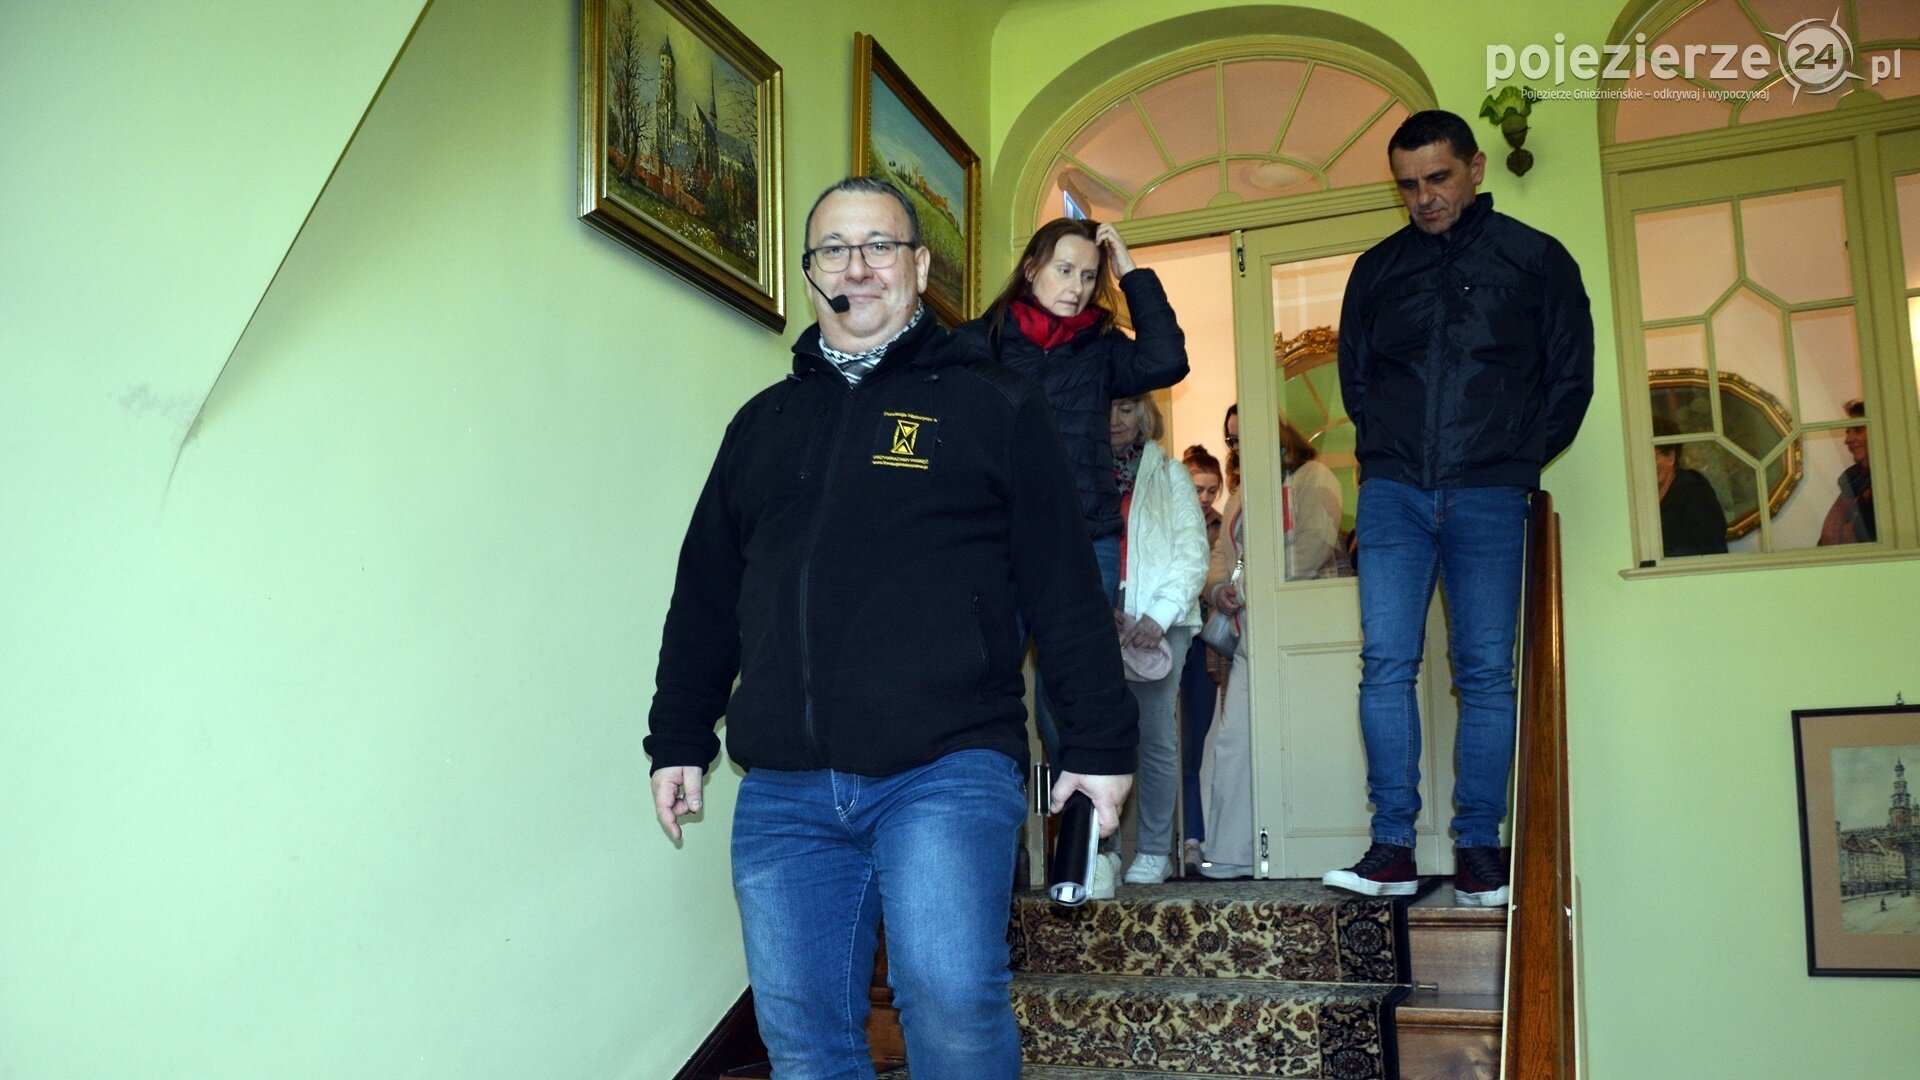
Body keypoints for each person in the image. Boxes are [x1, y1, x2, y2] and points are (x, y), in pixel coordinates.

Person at [644, 177, 1137, 1079]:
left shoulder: (994, 402)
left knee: (948, 1002)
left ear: (918, 266)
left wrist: (1099, 743)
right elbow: (708, 592)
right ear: (810, 273)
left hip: (945, 767)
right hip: (785, 788)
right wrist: (678, 734)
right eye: (834, 249)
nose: (857, 267)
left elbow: (1063, 582)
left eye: (879, 246)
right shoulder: (761, 425)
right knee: (803, 1041)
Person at [1328, 110, 1593, 907]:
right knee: (1385, 665)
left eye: (1438, 178)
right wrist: (1388, 456)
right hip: (1393, 495)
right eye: (1408, 185)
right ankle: (1393, 849)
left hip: (1489, 494)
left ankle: (1481, 851)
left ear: (1475, 167)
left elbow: (1569, 377)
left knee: (1485, 674)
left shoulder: (1537, 259)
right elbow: (1357, 381)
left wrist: (1510, 460)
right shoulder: (1378, 269)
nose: (1425, 198)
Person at [954, 217, 1189, 763]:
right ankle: (995, 813)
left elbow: (1167, 360)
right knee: (985, 687)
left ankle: (1087, 818)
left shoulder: (1102, 348)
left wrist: (1130, 273)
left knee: (1074, 702)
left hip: (1085, 540)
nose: (1077, 287)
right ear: (1031, 268)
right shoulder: (978, 343)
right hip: (998, 540)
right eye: (1064, 270)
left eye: (1087, 276)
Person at [1108, 395, 1210, 884]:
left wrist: (1158, 615)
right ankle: (1102, 852)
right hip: (1104, 618)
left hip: (1161, 621)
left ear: (1145, 415)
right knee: (1101, 737)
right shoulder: (1085, 473)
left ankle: (1153, 851)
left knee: (1153, 739)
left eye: (1126, 408)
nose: (1114, 420)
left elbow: (1193, 554)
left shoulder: (1171, 475)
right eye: (1106, 409)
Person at [1198, 405, 1255, 880]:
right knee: (1231, 739)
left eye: (1242, 435)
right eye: (1231, 439)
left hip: (1287, 628)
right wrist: (1220, 590)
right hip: (1242, 632)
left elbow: (1308, 548)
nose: (1236, 446)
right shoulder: (1238, 495)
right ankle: (1232, 851)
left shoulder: (1308, 479)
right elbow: (1220, 557)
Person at [1178, 443, 1226, 872]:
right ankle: (1175, 838)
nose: (1206, 498)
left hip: (1205, 646)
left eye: (1213, 490)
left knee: (1196, 742)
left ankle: (1195, 838)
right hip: (1167, 635)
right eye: (1198, 488)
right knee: (1164, 742)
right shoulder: (1170, 523)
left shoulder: (1223, 529)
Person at [1279, 417, 1348, 580]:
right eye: (1231, 441)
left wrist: (1267, 577)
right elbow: (1239, 554)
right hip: (1275, 585)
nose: (1236, 448)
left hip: (1306, 588)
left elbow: (1314, 543)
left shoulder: (1314, 476)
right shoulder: (1266, 488)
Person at [1652, 416, 1728, 556]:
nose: (1643, 465)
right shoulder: (1639, 499)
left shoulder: (1694, 492)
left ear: (1671, 457)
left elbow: (1710, 551)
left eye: (1652, 458)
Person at [1818, 398, 1874, 546]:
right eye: (1848, 432)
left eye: (1858, 430)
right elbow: (1829, 537)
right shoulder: (1853, 480)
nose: (1848, 439)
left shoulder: (1901, 480)